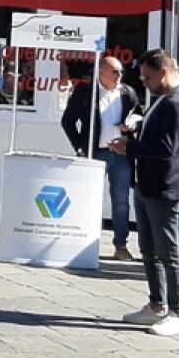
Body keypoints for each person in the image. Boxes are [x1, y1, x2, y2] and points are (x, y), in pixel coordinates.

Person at [111, 49, 179, 337]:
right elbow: (154, 138)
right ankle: (156, 305)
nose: (144, 81)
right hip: (146, 185)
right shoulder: (162, 101)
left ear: (165, 72)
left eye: (148, 76)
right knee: (149, 249)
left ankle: (178, 312)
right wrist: (132, 135)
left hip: (164, 188)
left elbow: (167, 148)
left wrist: (128, 148)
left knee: (169, 252)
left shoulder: (177, 104)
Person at [61, 56, 140, 261]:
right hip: (95, 153)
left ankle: (121, 245)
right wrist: (79, 147)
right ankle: (80, 241)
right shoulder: (86, 92)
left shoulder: (127, 93)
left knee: (121, 201)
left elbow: (137, 114)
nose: (120, 75)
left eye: (121, 71)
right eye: (115, 71)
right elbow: (68, 120)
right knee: (87, 199)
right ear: (101, 72)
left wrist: (132, 124)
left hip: (121, 154)